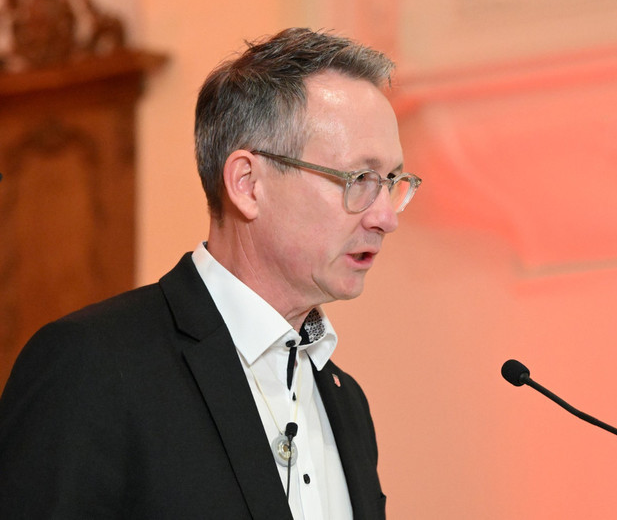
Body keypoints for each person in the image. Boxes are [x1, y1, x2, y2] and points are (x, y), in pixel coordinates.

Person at [0, 27, 420, 520]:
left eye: (392, 181)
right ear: (247, 184)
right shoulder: (94, 365)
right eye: (359, 179)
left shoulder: (346, 402)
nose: (385, 217)